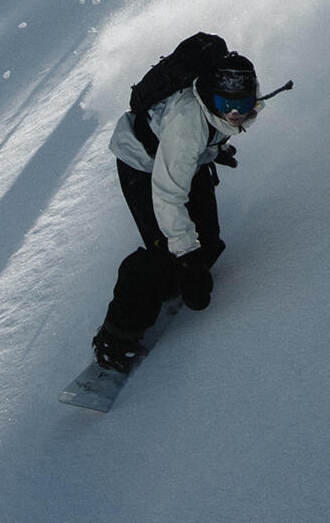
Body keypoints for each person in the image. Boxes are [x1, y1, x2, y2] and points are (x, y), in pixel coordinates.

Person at [92, 41, 260, 375]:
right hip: (141, 164)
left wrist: (214, 149)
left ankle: (172, 282)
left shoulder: (220, 111)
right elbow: (168, 196)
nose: (235, 113)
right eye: (227, 103)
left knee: (207, 243)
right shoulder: (188, 123)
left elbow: (208, 133)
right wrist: (186, 259)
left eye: (242, 103)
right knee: (167, 254)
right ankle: (115, 340)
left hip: (183, 159)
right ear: (212, 94)